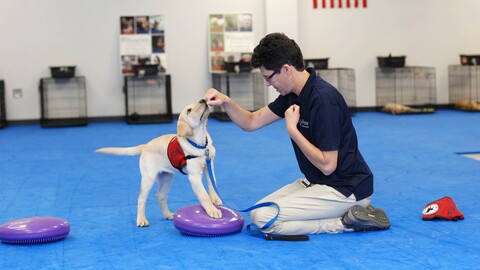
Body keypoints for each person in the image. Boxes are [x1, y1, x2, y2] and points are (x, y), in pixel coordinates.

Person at [204, 33, 391, 235]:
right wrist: (225, 102)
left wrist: (293, 130)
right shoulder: (292, 95)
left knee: (264, 219)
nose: (267, 83)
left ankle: (344, 223)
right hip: (319, 182)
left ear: (286, 69)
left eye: (268, 77)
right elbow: (251, 121)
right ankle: (351, 215)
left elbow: (328, 165)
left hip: (346, 189)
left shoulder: (323, 100)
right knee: (258, 212)